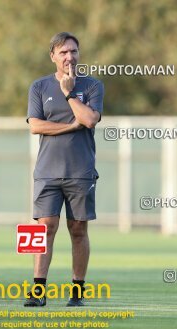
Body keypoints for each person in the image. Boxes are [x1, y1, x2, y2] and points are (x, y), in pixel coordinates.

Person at [25, 32, 104, 307]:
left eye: (73, 51)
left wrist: (70, 93)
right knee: (44, 228)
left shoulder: (92, 86)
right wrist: (70, 126)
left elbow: (90, 119)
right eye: (63, 52)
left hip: (81, 171)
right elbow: (35, 125)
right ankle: (37, 292)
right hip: (47, 172)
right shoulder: (39, 86)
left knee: (78, 229)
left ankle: (77, 293)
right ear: (53, 56)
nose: (69, 57)